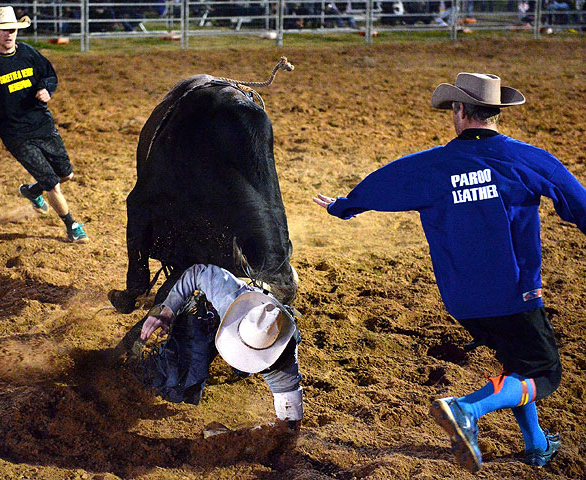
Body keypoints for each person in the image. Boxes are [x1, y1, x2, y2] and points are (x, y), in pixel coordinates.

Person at [313, 72, 586, 472]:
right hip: (514, 292)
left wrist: (343, 205)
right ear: (497, 113)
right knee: (542, 372)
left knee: (516, 364)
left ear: (458, 110)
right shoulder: (528, 159)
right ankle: (465, 409)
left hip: (461, 299)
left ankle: (537, 443)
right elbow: (578, 203)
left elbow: (379, 187)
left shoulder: (428, 166)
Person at [0, 6, 88, 243]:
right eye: (3, 30)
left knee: (66, 174)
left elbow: (50, 75)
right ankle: (72, 225)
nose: (9, 34)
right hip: (14, 133)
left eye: (13, 29)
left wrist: (48, 89)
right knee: (52, 183)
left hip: (43, 124)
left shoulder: (29, 53)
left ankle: (31, 191)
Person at [138, 263, 304, 427]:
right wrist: (167, 311)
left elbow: (290, 414)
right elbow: (196, 273)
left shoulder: (283, 358)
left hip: (245, 317)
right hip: (212, 316)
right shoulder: (229, 296)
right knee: (176, 386)